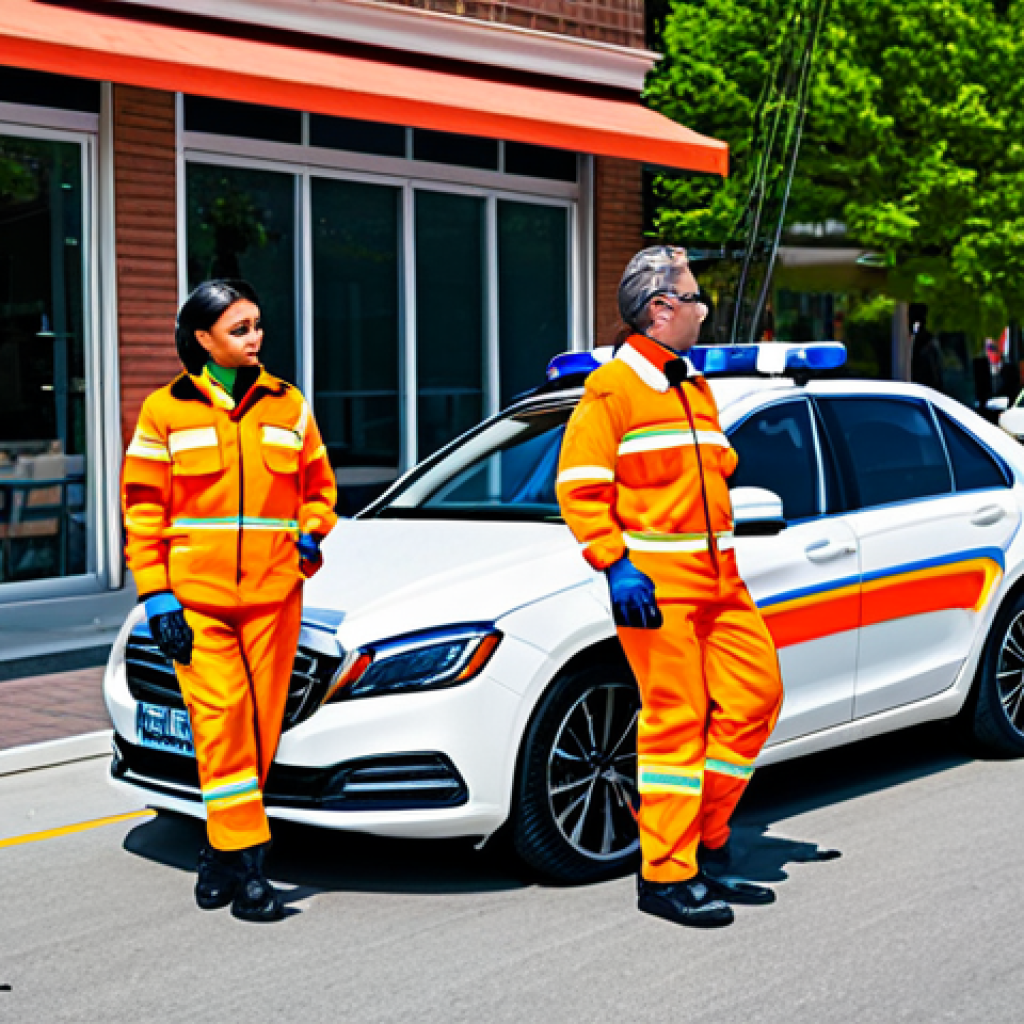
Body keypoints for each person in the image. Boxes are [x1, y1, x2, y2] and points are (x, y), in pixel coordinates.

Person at [556, 246, 783, 928]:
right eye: (694, 298)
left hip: (723, 585)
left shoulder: (692, 388)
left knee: (756, 699)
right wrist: (616, 563)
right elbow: (578, 486)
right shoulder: (611, 392)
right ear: (661, 309)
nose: (703, 309)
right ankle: (666, 873)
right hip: (660, 591)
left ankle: (704, 839)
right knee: (675, 725)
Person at [122, 280, 337, 922]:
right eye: (240, 328)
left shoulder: (289, 405)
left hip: (276, 598)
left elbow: (319, 488)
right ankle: (250, 870)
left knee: (259, 734)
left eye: (257, 325)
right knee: (223, 726)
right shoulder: (165, 411)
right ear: (202, 339)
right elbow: (142, 508)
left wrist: (310, 532)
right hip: (198, 602)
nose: (255, 338)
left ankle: (216, 856)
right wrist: (157, 596)